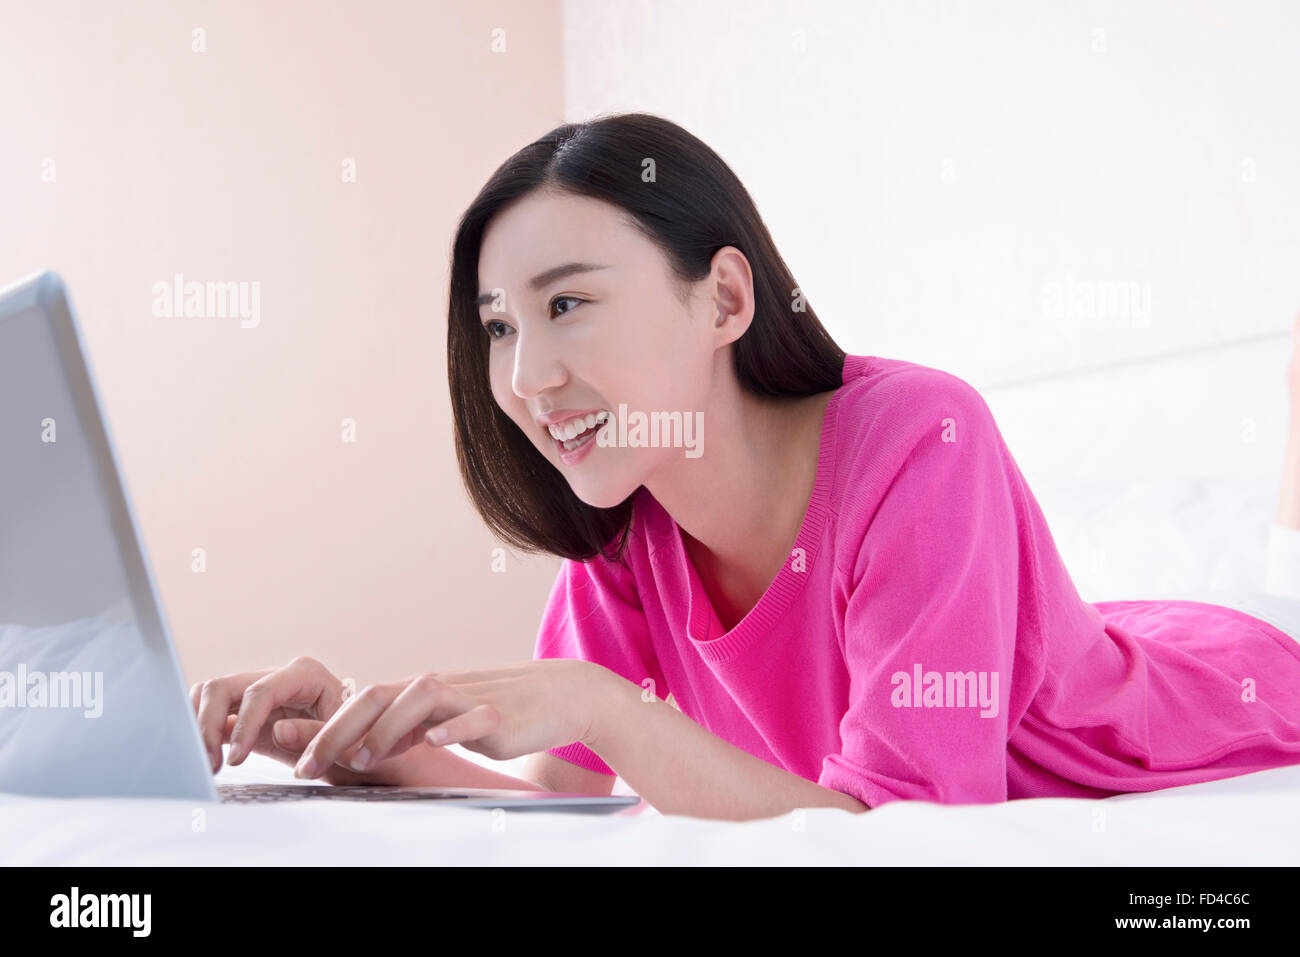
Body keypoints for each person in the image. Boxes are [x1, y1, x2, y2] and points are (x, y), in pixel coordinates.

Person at [191, 113, 1300, 821]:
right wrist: (353, 740)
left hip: (1210, 697)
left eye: (567, 303)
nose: (525, 377)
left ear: (723, 296)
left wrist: (607, 709)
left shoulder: (920, 437)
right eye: (496, 327)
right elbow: (553, 806)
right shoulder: (627, 520)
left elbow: (899, 834)